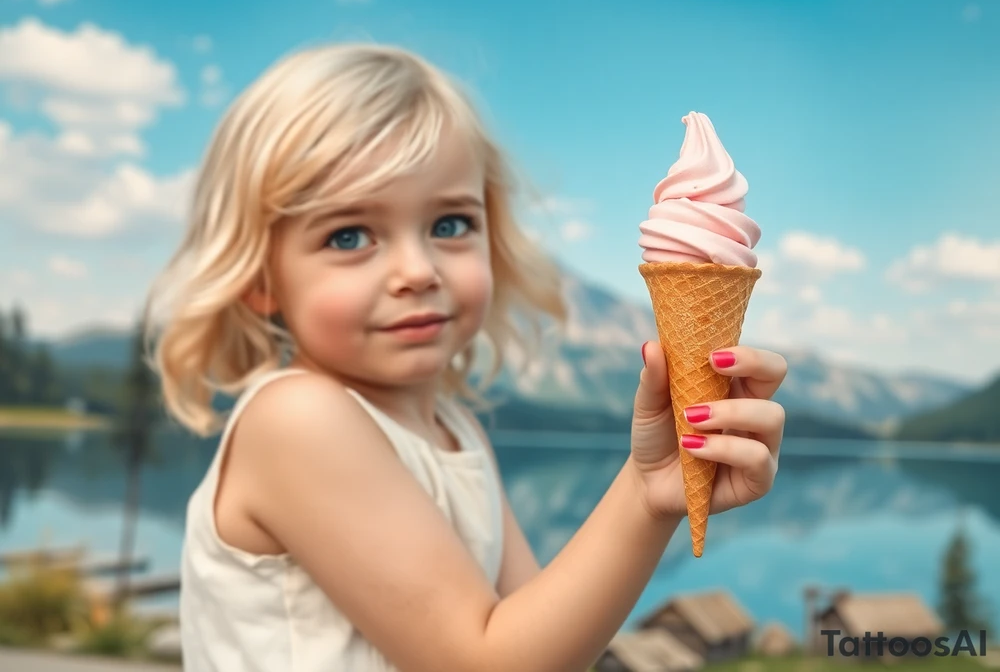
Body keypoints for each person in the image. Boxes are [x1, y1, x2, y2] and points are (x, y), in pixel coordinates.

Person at [142, 41, 787, 672]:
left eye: (450, 224)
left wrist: (660, 485)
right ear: (259, 277)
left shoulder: (456, 428)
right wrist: (643, 499)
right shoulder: (298, 419)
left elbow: (540, 641)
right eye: (349, 235)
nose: (417, 271)